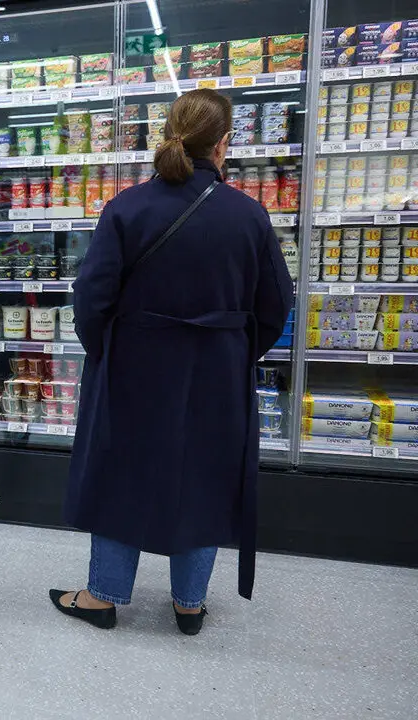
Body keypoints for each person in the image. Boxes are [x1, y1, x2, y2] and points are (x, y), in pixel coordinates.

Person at [49, 88, 295, 635]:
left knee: (121, 471)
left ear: (170, 135)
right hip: (216, 368)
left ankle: (103, 596)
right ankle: (189, 603)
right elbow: (276, 304)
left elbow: (90, 299)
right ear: (223, 144)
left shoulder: (127, 207)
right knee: (205, 474)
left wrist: (110, 351)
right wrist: (233, 351)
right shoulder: (249, 216)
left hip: (135, 364)